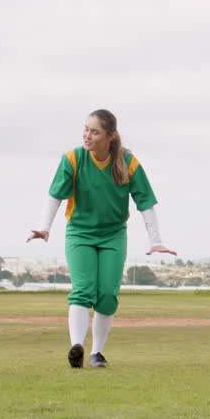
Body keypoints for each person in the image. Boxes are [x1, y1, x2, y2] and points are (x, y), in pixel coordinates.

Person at [28, 109, 175, 368]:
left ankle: (97, 353)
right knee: (83, 290)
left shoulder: (128, 162)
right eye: (85, 129)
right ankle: (77, 346)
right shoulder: (73, 159)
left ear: (110, 136)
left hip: (113, 235)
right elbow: (55, 196)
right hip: (80, 233)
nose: (87, 135)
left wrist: (156, 240)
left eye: (94, 131)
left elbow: (146, 203)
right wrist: (44, 227)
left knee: (107, 293)